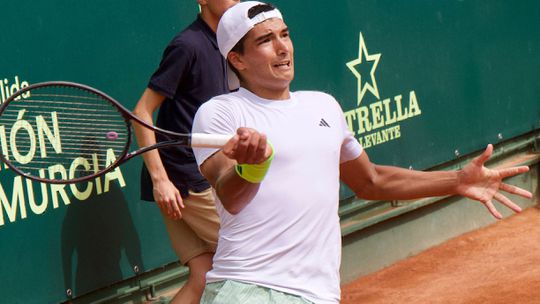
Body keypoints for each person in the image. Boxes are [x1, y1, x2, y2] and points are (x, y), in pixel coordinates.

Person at [191, 2, 533, 303]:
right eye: (265, 41)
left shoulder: (323, 106)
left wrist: (457, 180)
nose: (283, 48)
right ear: (236, 58)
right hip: (250, 289)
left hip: (318, 294)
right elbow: (229, 193)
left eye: (285, 34)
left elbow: (370, 180)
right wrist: (252, 166)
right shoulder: (221, 113)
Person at [132, 0, 239, 303]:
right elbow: (142, 111)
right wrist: (160, 180)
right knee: (253, 256)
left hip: (196, 175)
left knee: (203, 275)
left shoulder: (230, 45)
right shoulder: (187, 46)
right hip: (186, 180)